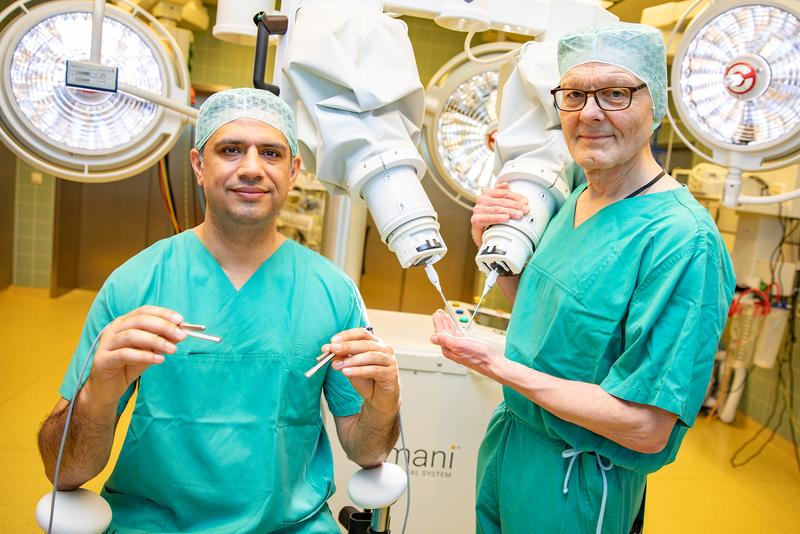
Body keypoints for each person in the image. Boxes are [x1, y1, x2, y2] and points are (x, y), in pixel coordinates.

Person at [37, 88, 401, 533]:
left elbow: (366, 452)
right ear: (198, 165)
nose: (251, 168)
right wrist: (96, 395)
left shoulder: (331, 292)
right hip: (155, 524)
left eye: (270, 153)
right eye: (230, 150)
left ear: (293, 172)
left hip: (290, 525)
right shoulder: (136, 285)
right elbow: (66, 472)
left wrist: (383, 406)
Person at [431, 22, 735, 534]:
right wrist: (496, 246)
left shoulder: (682, 240)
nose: (591, 113)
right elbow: (547, 313)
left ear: (655, 104)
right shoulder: (579, 198)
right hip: (513, 445)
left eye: (615, 93)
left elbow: (647, 427)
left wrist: (500, 366)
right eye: (574, 95)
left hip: (580, 481)